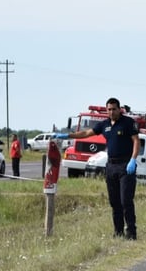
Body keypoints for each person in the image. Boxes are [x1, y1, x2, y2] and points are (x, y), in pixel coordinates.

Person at [55, 97, 140, 239]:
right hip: (111, 166)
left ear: (119, 109)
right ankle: (118, 232)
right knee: (114, 202)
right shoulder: (104, 124)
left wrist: (133, 159)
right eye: (109, 109)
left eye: (114, 109)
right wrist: (68, 135)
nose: (111, 112)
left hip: (126, 165)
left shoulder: (128, 123)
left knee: (126, 200)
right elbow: (86, 133)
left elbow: (136, 141)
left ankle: (131, 233)